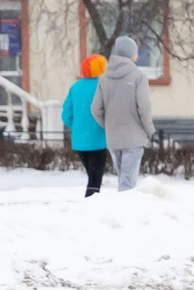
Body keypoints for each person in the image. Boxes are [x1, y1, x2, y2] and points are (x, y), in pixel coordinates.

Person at [90, 34, 156, 191]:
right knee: (128, 184)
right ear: (131, 54)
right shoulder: (139, 76)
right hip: (134, 138)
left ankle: (122, 204)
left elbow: (95, 109)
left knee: (123, 180)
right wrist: (149, 130)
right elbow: (144, 107)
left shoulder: (104, 77)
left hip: (114, 138)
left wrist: (108, 126)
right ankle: (125, 206)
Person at [61, 54, 109, 195]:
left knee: (92, 176)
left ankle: (91, 201)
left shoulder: (75, 87)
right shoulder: (104, 86)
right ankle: (90, 203)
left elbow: (66, 116)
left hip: (80, 141)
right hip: (99, 139)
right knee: (95, 180)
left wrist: (78, 126)